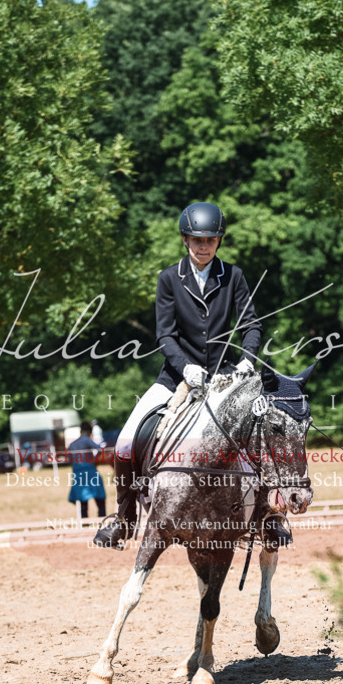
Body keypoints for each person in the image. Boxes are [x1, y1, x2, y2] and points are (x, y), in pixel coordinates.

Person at [94, 201, 265, 549]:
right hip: (177, 377)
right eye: (197, 240)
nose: (204, 247)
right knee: (125, 441)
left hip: (225, 378)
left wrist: (247, 361)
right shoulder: (169, 278)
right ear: (185, 239)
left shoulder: (233, 276)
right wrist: (185, 366)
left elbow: (251, 325)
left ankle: (266, 517)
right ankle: (124, 520)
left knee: (263, 432)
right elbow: (165, 335)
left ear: (218, 241)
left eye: (211, 240)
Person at [67, 421, 107, 521]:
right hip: (90, 471)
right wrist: (94, 460)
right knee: (100, 498)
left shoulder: (72, 444)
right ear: (89, 431)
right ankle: (102, 520)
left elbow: (69, 459)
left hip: (77, 473)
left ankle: (85, 522)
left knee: (82, 502)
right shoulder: (86, 439)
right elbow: (99, 449)